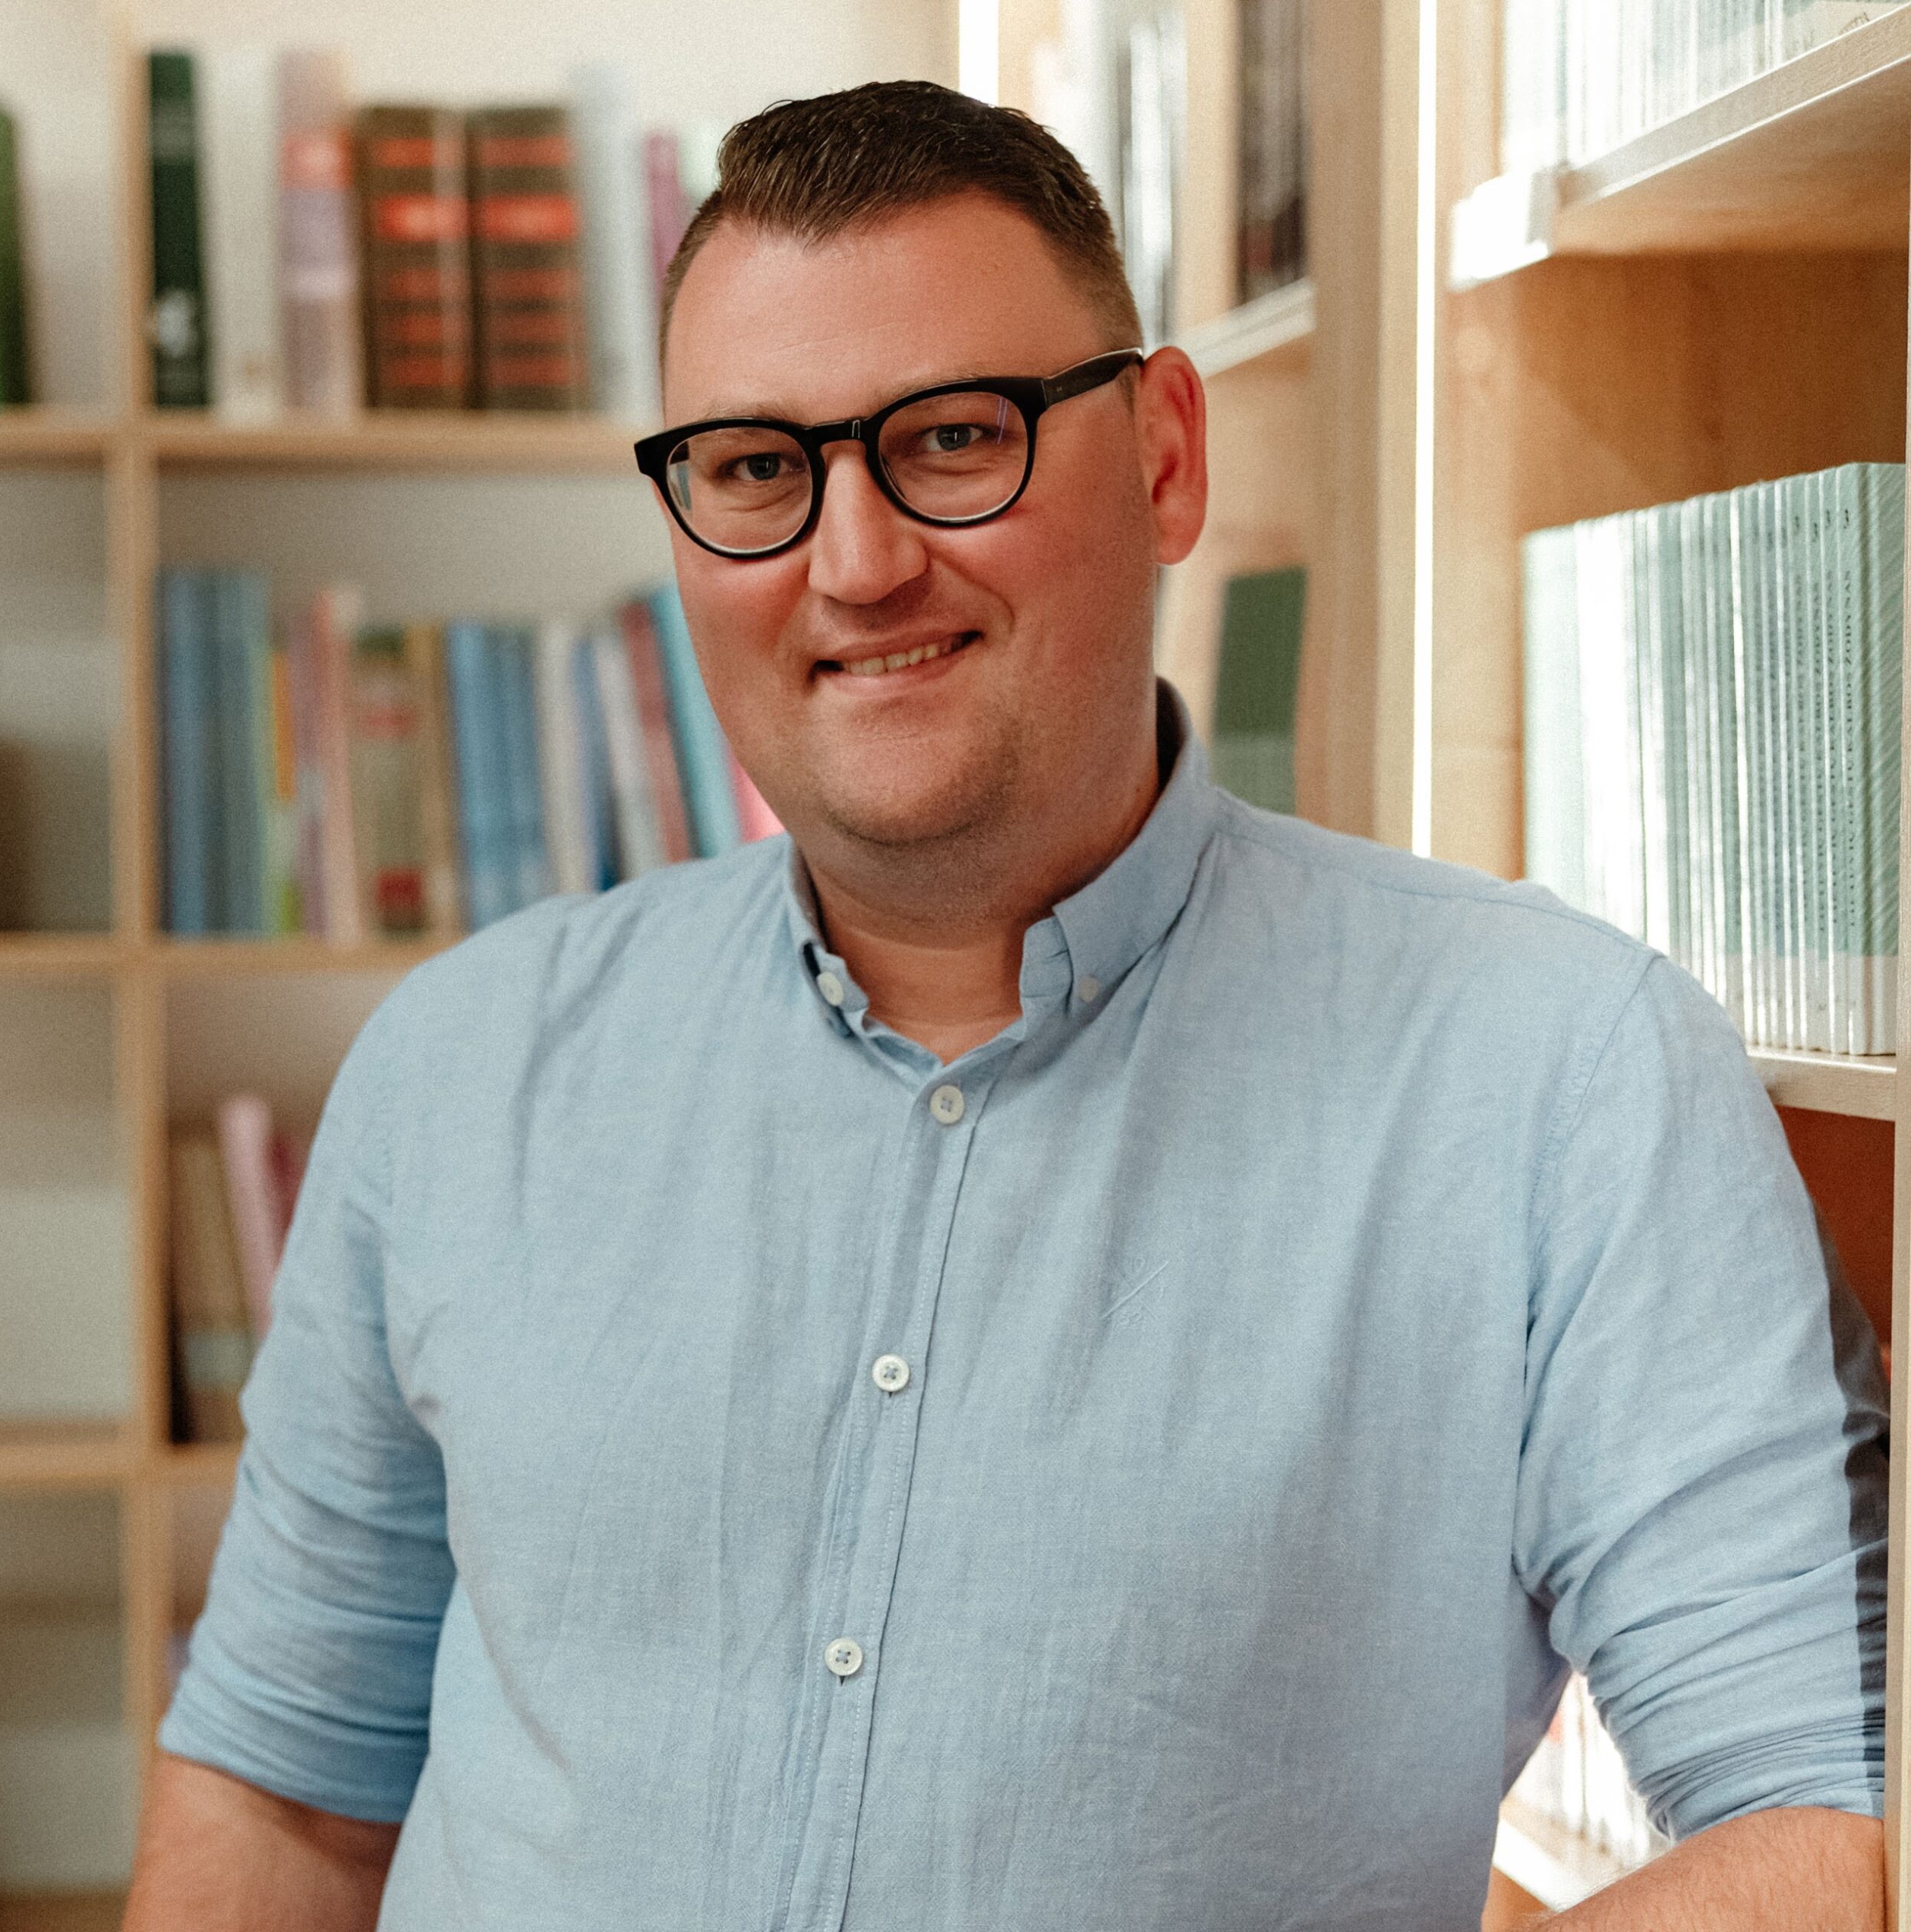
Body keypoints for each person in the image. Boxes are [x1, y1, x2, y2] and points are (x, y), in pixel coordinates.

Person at [125, 80, 1887, 1931]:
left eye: (954, 438)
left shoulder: (1558, 1078)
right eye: (754, 469)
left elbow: (1820, 1821)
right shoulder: (460, 1069)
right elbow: (282, 1800)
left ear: (1165, 456)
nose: (857, 562)